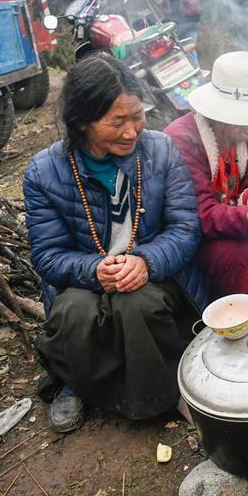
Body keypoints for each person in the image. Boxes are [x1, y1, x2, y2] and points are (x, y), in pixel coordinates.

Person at [24, 53, 207, 433]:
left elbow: (185, 228)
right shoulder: (44, 172)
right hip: (83, 280)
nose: (131, 132)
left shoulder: (160, 150)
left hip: (155, 276)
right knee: (74, 310)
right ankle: (77, 383)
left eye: (137, 116)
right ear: (82, 121)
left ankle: (158, 396)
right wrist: (94, 269)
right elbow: (47, 254)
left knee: (137, 302)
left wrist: (145, 261)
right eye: (116, 121)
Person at [164, 51, 248, 302]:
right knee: (231, 254)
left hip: (233, 219)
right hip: (193, 232)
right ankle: (244, 317)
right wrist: (245, 216)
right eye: (244, 117)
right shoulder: (183, 140)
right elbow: (198, 212)